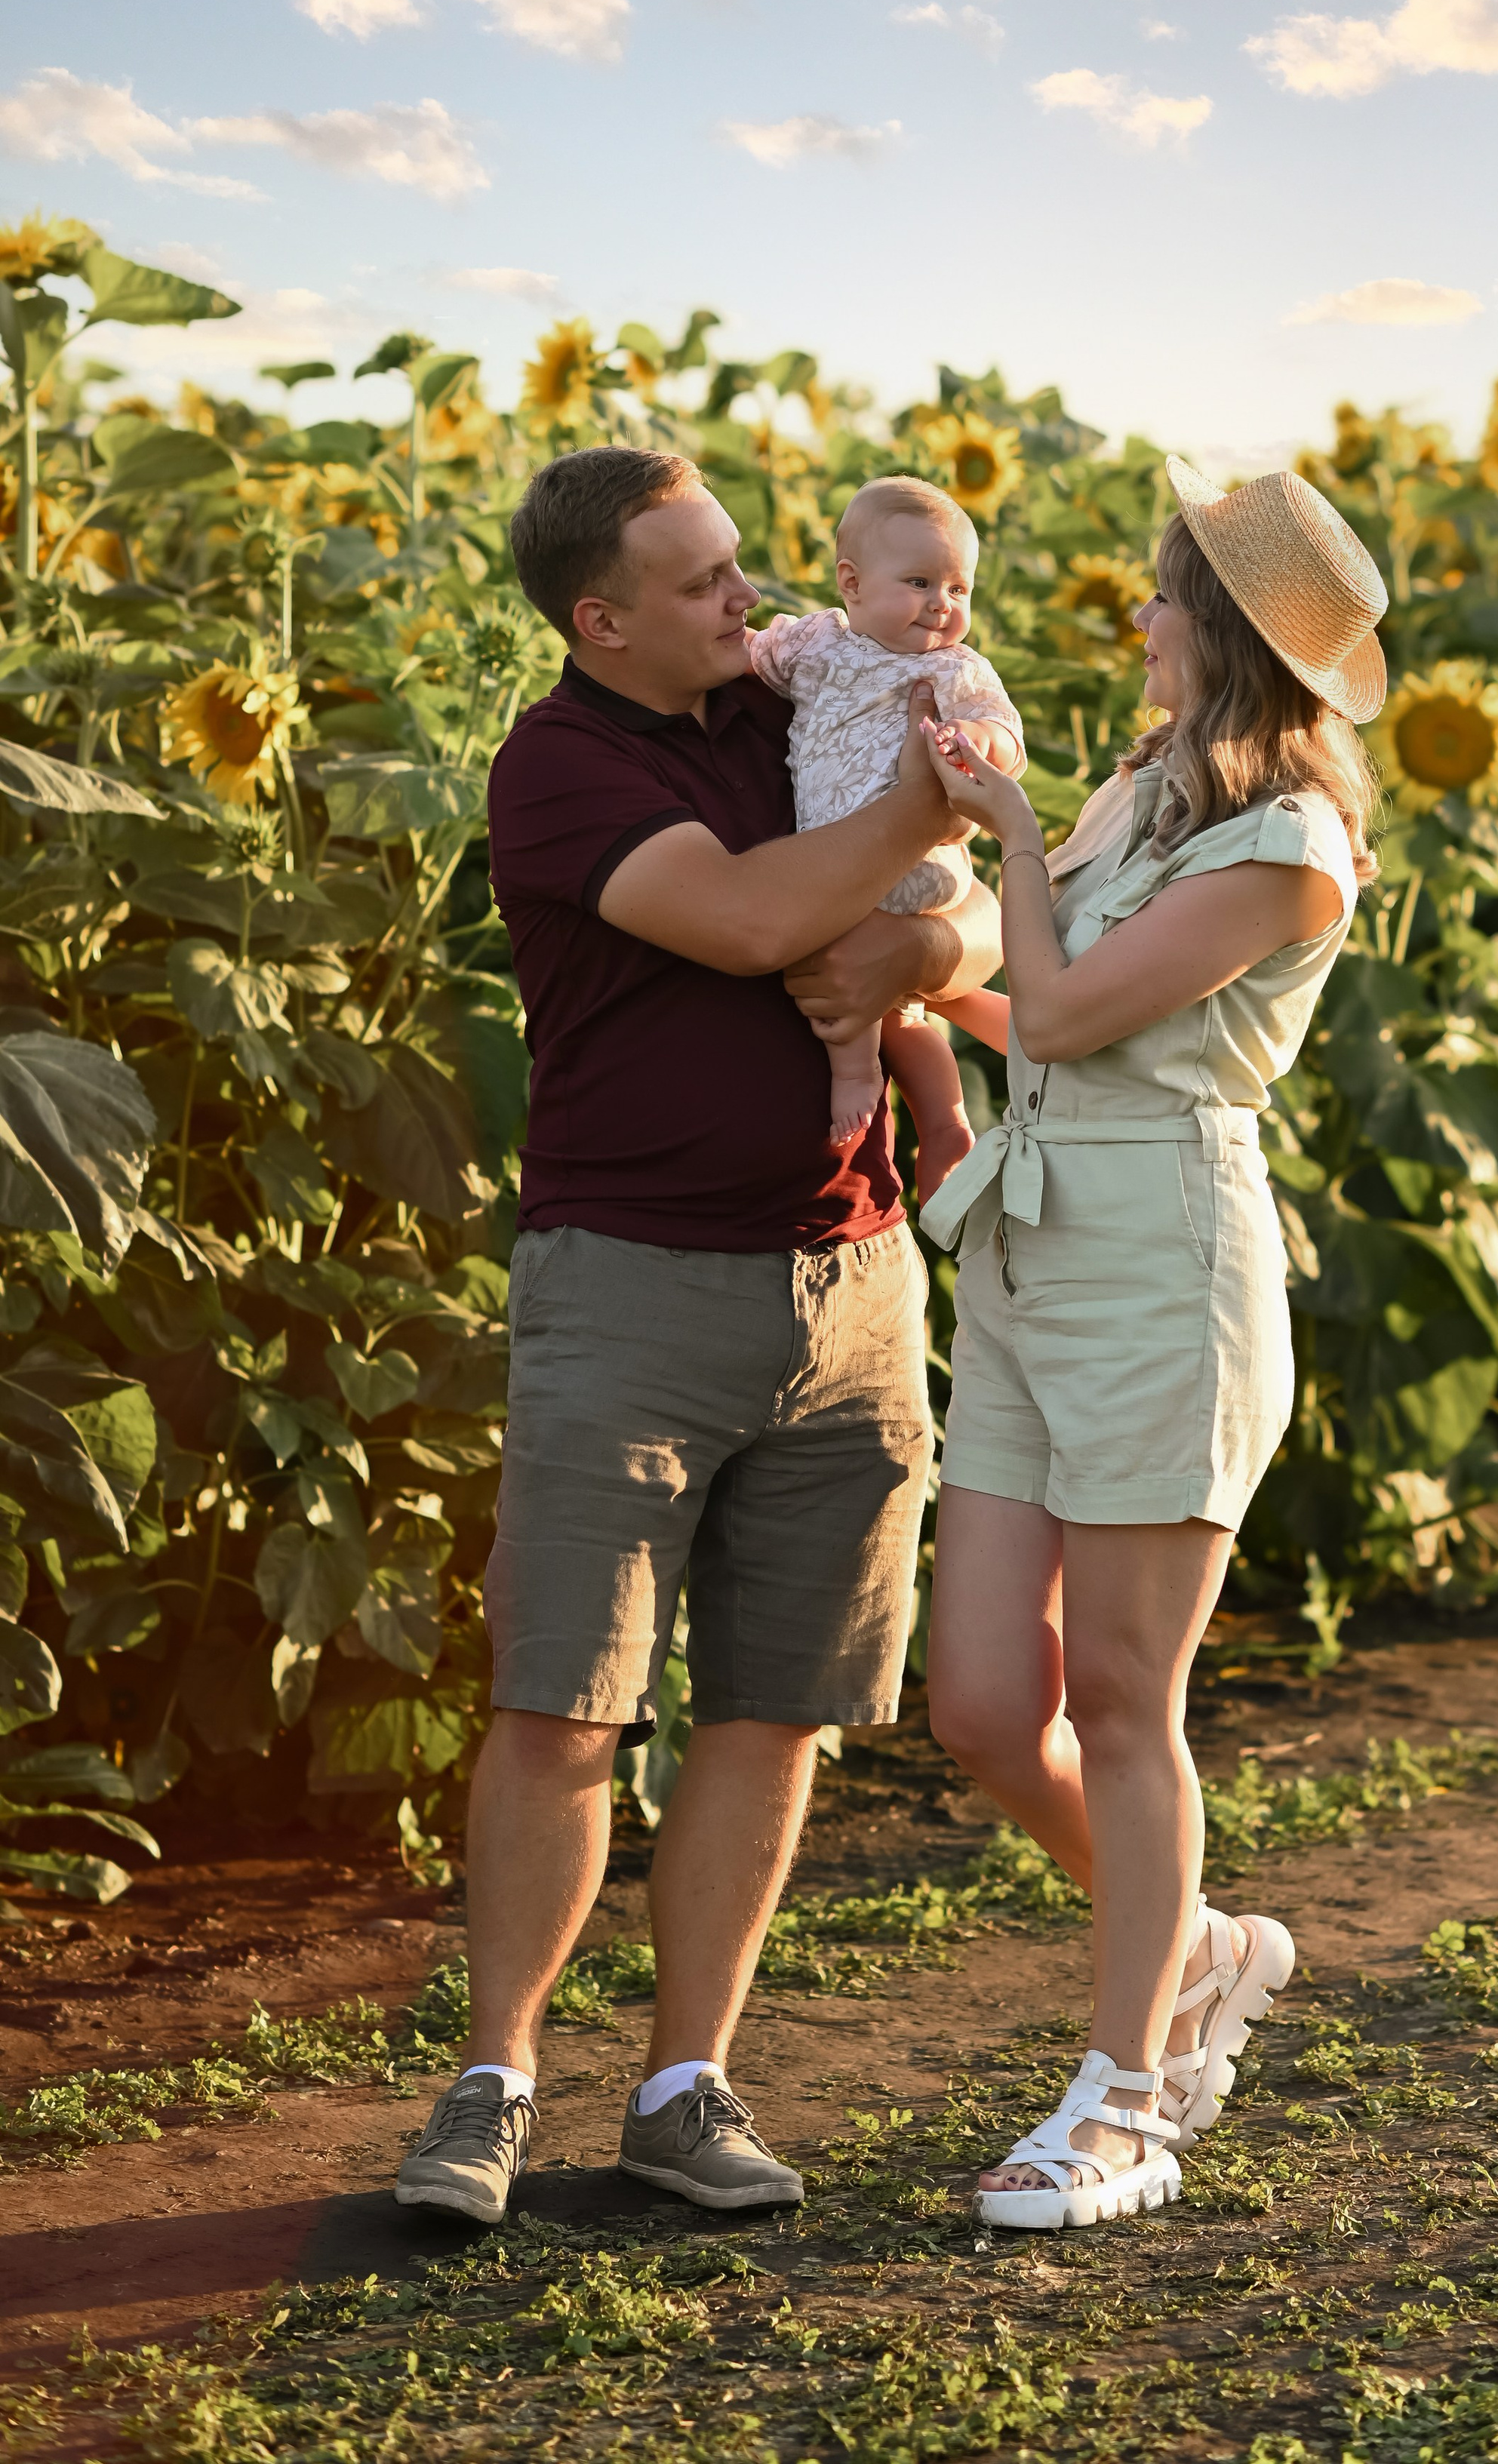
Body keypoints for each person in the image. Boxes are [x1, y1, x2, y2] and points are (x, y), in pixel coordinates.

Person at [394, 444, 1000, 2226]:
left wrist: (925, 934)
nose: (748, 597)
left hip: (856, 1289)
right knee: (564, 1700)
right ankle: (493, 2080)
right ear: (602, 621)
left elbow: (950, 935)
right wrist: (934, 804)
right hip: (630, 1283)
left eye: (744, 564)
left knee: (769, 1709)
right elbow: (745, 920)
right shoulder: (562, 763)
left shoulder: (796, 700)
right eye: (703, 581)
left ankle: (682, 2084)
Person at [915, 452, 1387, 2232]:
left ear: (1225, 634)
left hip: (1165, 1265)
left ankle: (1120, 2104)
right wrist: (904, 974)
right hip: (1034, 1255)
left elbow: (1055, 998)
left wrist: (1006, 830)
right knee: (978, 1699)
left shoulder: (1286, 848)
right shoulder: (1141, 792)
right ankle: (1190, 1941)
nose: (1138, 620)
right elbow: (1023, 1012)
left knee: (1119, 1691)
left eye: (1163, 595)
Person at [746, 476, 1024, 1192]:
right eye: (920, 582)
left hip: (916, 857)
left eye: (960, 590)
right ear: (853, 584)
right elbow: (751, 652)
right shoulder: (817, 645)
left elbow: (1007, 732)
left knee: (845, 965)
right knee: (906, 1013)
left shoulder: (955, 667)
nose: (943, 604)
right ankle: (945, 1120)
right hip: (859, 853)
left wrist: (979, 740)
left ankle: (855, 1077)